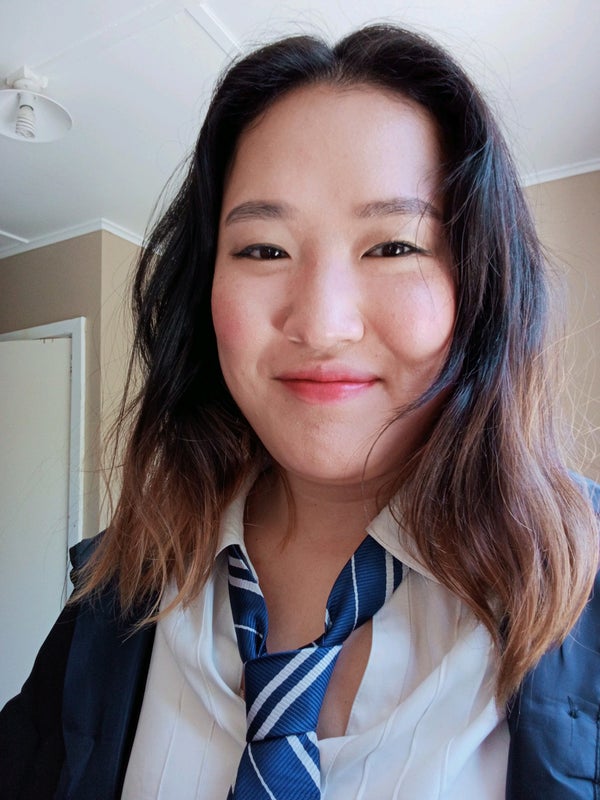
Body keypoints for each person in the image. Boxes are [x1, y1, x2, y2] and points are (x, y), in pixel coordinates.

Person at [1, 23, 599, 800]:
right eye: (264, 250)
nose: (320, 324)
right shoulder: (114, 591)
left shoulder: (582, 583)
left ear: (481, 284)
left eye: (394, 247)